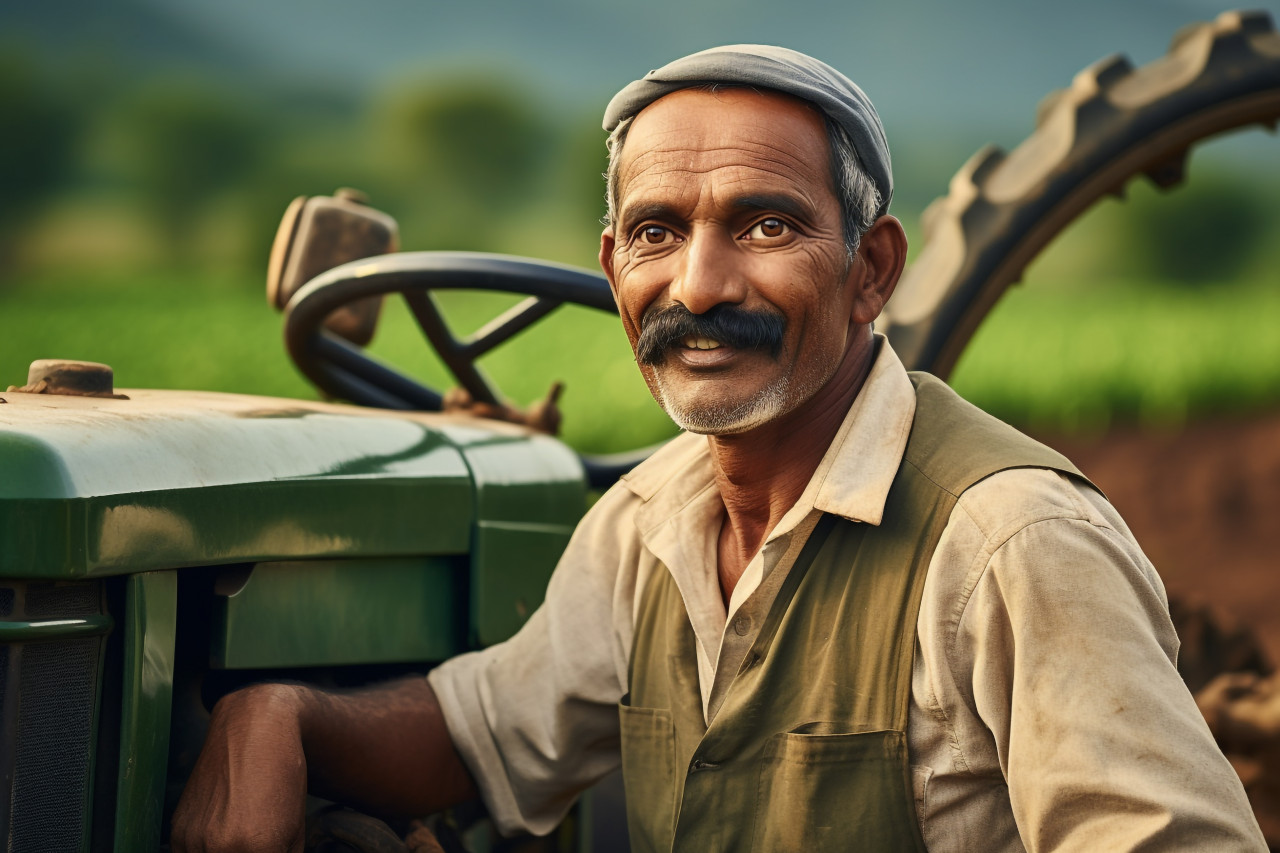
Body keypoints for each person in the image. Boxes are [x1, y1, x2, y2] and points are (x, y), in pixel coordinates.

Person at [171, 46, 1266, 851]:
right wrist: (281, 713)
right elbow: (487, 732)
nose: (697, 286)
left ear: (871, 270)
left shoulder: (1010, 543)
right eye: (658, 231)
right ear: (615, 270)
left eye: (765, 225)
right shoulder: (650, 522)